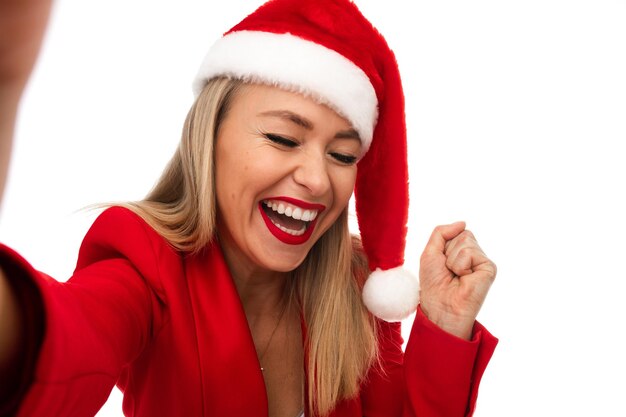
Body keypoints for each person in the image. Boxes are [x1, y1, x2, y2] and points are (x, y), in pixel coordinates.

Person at [0, 0, 498, 416]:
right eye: (283, 138)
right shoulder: (143, 262)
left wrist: (445, 326)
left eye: (343, 155)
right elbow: (67, 338)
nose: (318, 178)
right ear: (209, 136)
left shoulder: (353, 285)